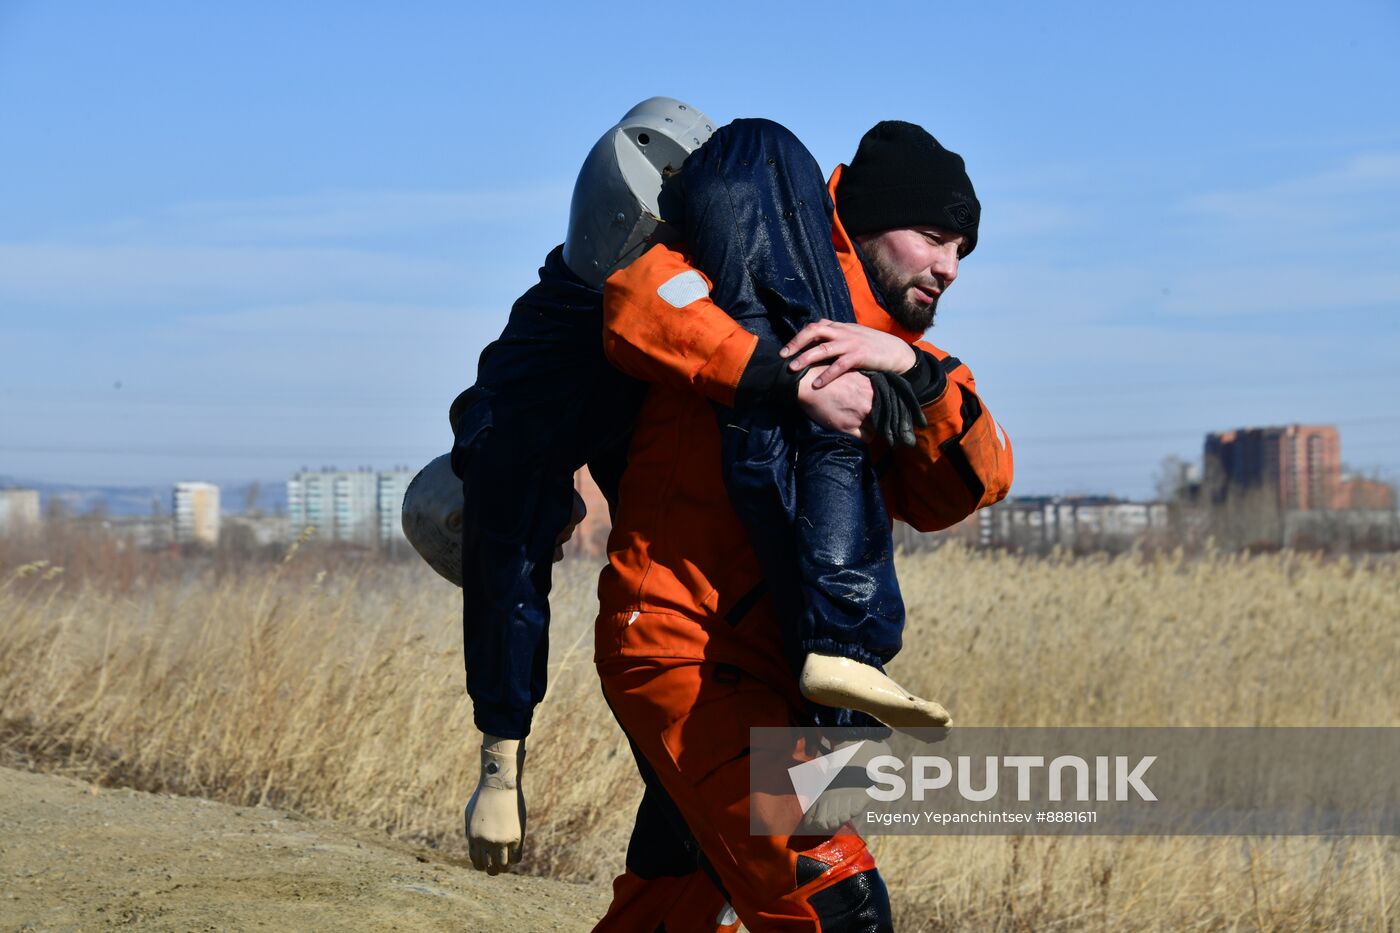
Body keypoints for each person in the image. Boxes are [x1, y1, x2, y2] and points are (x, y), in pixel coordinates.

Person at [589, 118, 1013, 930]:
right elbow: (636, 302)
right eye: (932, 237)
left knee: (676, 896)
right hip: (686, 646)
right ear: (866, 219)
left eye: (963, 249)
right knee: (836, 903)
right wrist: (784, 378)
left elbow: (975, 481)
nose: (949, 268)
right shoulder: (729, 262)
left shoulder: (897, 358)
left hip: (798, 689)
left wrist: (912, 374)